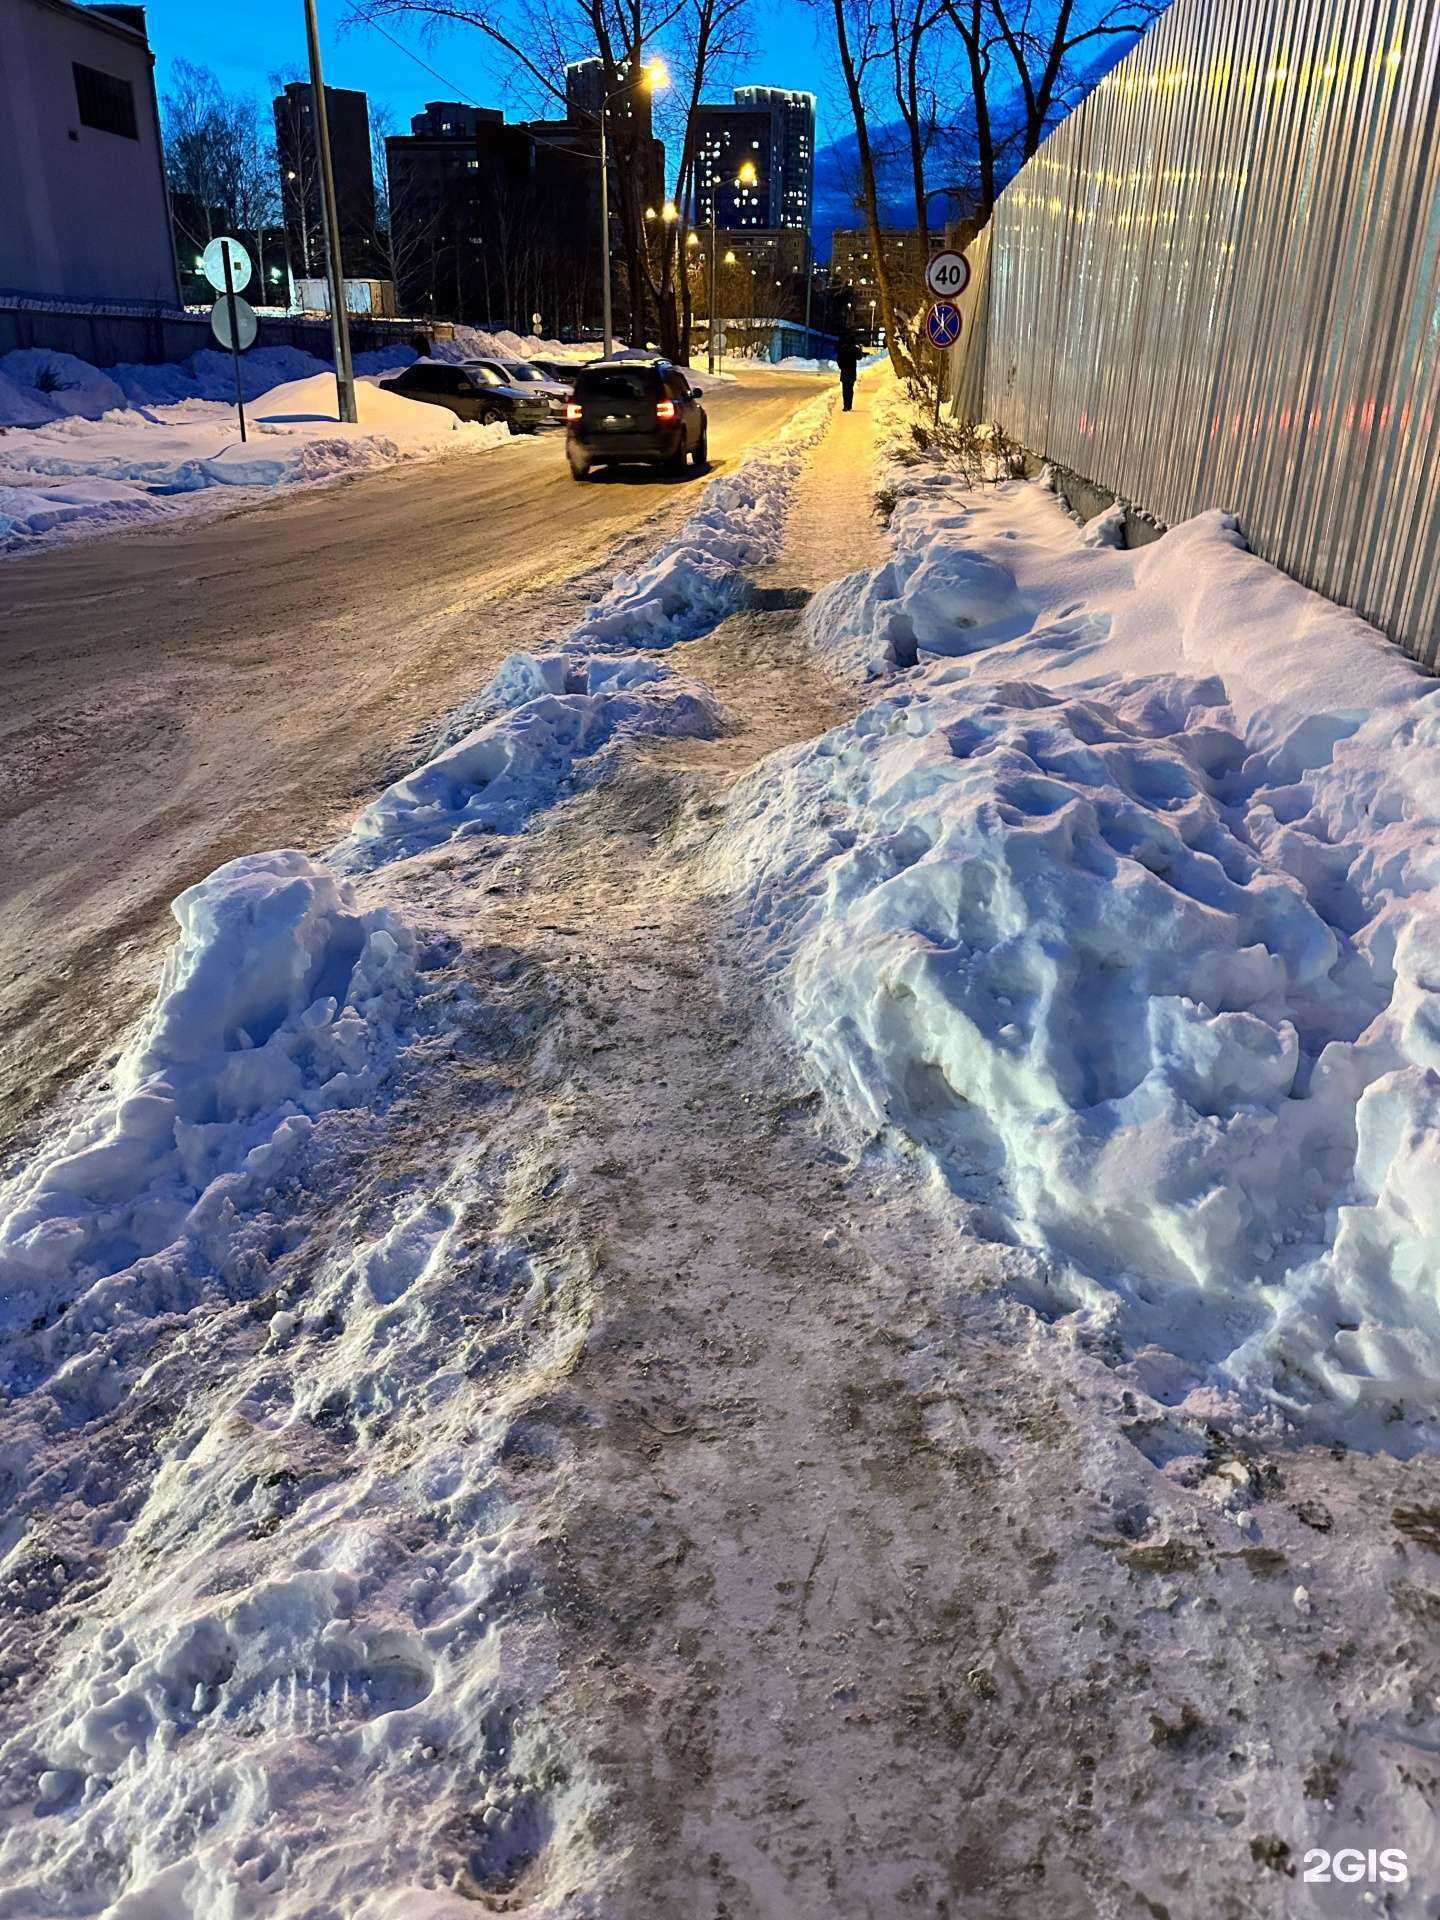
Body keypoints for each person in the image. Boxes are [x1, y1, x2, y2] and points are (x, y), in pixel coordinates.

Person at [836, 329, 859, 411]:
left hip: (844, 371)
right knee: (850, 389)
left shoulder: (842, 348)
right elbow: (859, 357)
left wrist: (841, 366)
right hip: (852, 371)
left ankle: (845, 406)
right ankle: (849, 405)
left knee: (845, 389)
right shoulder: (855, 349)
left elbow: (838, 359)